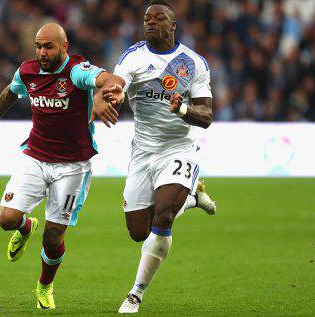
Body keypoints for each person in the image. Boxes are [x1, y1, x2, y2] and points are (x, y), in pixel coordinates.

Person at [0, 23, 121, 310]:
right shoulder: (28, 71)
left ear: (64, 47)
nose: (42, 52)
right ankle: (25, 227)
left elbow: (108, 78)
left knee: (54, 236)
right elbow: (10, 92)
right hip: (34, 156)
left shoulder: (77, 71)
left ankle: (44, 286)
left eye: (49, 46)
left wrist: (107, 93)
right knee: (6, 219)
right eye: (38, 46)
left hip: (72, 166)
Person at [93, 0, 216, 313]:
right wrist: (115, 94)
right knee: (139, 232)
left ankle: (135, 294)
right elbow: (118, 83)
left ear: (172, 26)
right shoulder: (133, 57)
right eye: (146, 19)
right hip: (143, 152)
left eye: (158, 18)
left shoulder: (193, 62)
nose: (150, 23)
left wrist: (183, 109)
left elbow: (206, 115)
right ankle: (191, 197)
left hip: (179, 148)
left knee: (163, 217)